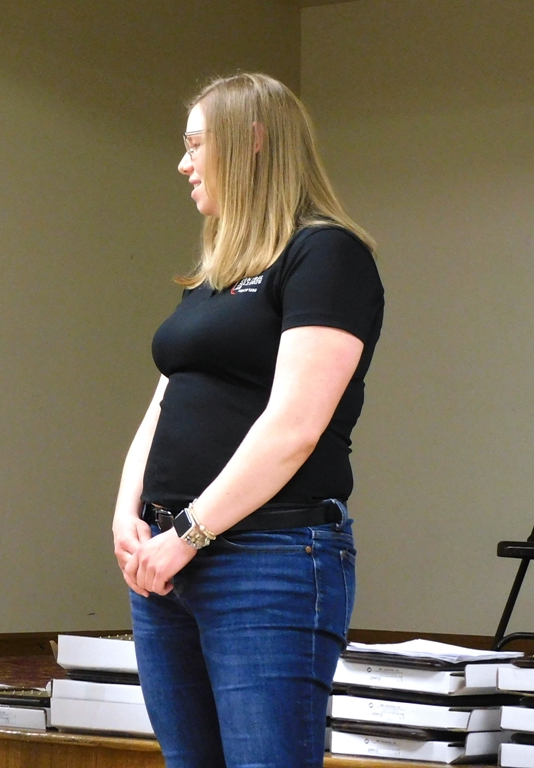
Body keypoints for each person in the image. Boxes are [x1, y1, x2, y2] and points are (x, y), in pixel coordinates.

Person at [111, 73, 384, 768]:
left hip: (267, 560)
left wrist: (188, 533)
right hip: (168, 563)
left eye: (195, 144)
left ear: (252, 143)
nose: (183, 164)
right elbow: (165, 400)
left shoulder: (327, 254)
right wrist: (128, 513)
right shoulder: (216, 273)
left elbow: (294, 427)